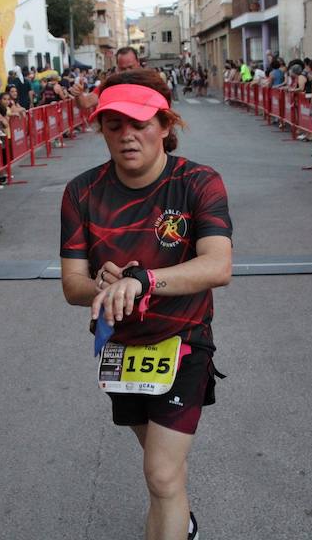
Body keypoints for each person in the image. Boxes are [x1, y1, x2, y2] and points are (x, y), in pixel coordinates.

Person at [60, 69, 232, 540]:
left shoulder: (197, 182)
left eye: (140, 123)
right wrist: (101, 283)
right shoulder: (81, 192)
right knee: (162, 471)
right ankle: (183, 517)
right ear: (101, 129)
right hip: (121, 349)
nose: (127, 135)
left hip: (185, 341)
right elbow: (72, 285)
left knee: (159, 473)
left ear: (166, 124)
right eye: (113, 124)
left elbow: (218, 265)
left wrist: (143, 279)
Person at [72, 47, 141, 110]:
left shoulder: (149, 81)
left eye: (131, 67)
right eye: (123, 69)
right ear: (117, 68)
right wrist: (79, 94)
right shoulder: (110, 84)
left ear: (138, 63)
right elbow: (86, 103)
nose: (127, 72)